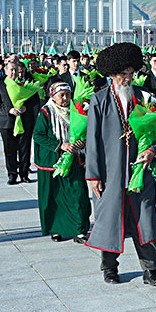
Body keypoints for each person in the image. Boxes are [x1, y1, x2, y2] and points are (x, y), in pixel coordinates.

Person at [84, 43, 156, 286]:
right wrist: (94, 176)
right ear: (111, 75)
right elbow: (92, 141)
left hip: (141, 172)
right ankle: (109, 268)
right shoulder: (99, 100)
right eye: (123, 74)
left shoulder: (144, 97)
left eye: (131, 73)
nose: (128, 78)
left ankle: (151, 270)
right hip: (111, 174)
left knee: (146, 219)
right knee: (109, 219)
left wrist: (152, 151)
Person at [32, 82, 90, 243]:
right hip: (52, 160)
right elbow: (38, 135)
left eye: (67, 94)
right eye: (61, 95)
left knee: (77, 193)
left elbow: (85, 131)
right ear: (53, 96)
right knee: (53, 196)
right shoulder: (46, 112)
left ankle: (79, 230)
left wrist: (81, 142)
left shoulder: (77, 111)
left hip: (74, 158)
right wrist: (60, 146)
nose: (65, 98)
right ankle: (56, 229)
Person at [0, 61, 40, 185]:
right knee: (10, 151)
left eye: (15, 70)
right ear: (6, 71)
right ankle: (12, 174)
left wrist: (26, 108)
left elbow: (35, 100)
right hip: (7, 123)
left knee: (25, 149)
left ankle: (24, 174)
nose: (13, 72)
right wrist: (9, 110)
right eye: (11, 70)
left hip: (24, 122)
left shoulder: (25, 85)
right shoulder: (0, 85)